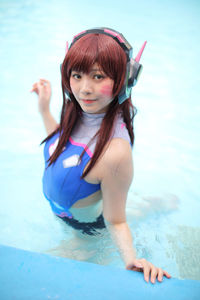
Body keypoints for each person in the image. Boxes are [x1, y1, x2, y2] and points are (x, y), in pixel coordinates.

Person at [31, 27, 171, 284]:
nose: (84, 89)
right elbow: (61, 147)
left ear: (124, 80)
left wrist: (131, 260)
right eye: (77, 75)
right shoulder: (79, 111)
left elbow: (116, 221)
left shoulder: (114, 152)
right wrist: (44, 109)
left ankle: (160, 204)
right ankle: (157, 203)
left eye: (98, 76)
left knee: (37, 277)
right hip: (71, 211)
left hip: (84, 233)